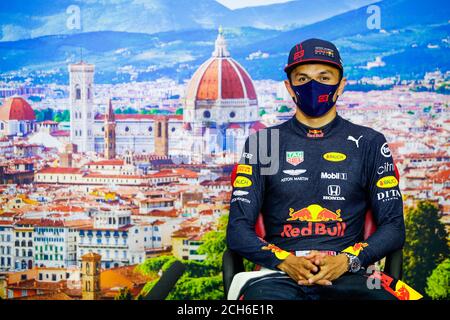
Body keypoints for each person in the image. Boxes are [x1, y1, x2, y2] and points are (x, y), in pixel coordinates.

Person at [226, 38, 422, 300]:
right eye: (302, 78)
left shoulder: (370, 143)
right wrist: (285, 261)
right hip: (278, 277)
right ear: (289, 87)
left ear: (341, 85)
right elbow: (238, 230)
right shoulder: (264, 142)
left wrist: (347, 260)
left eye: (324, 77)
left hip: (353, 275)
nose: (313, 85)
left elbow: (394, 227)